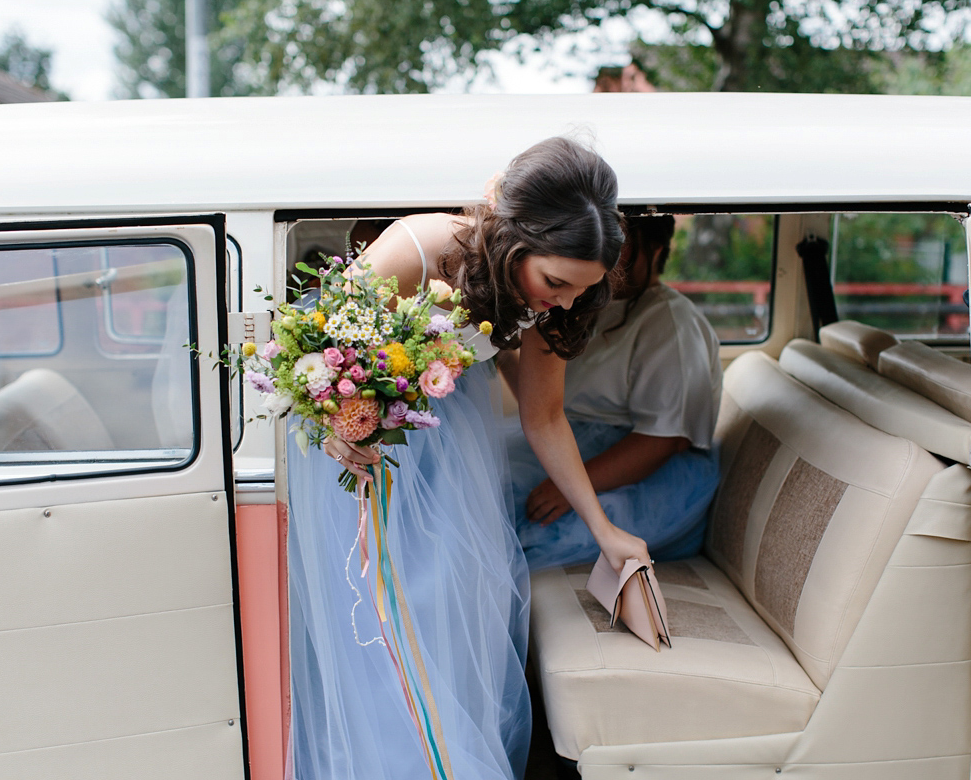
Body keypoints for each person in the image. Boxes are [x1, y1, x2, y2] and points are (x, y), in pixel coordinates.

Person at [286, 137, 649, 780]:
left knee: (459, 614)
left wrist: (605, 529)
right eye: (556, 283)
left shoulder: (550, 301)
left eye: (580, 290)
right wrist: (344, 423)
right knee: (383, 622)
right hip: (367, 456)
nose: (563, 302)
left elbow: (543, 416)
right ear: (515, 241)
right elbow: (317, 359)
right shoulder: (419, 248)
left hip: (453, 455)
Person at [500, 215, 723, 572]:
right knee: (485, 485)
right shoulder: (581, 304)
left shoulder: (671, 321)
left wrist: (566, 489)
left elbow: (665, 440)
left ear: (656, 249)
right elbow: (549, 407)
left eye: (622, 240)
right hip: (580, 444)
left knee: (509, 522)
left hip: (643, 474)